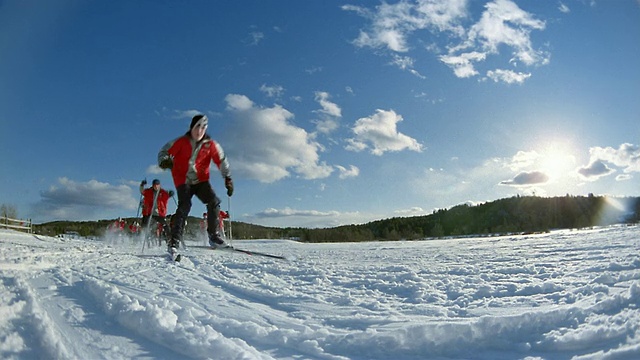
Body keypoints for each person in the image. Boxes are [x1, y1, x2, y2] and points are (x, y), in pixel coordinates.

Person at [158, 114, 234, 256]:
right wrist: (165, 161)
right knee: (185, 205)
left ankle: (214, 236)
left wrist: (228, 178)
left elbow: (222, 160)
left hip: (201, 181)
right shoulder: (181, 142)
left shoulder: (211, 145)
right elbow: (163, 152)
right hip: (183, 179)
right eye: (197, 126)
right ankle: (174, 240)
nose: (200, 130)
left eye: (203, 127)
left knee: (214, 201)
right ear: (192, 128)